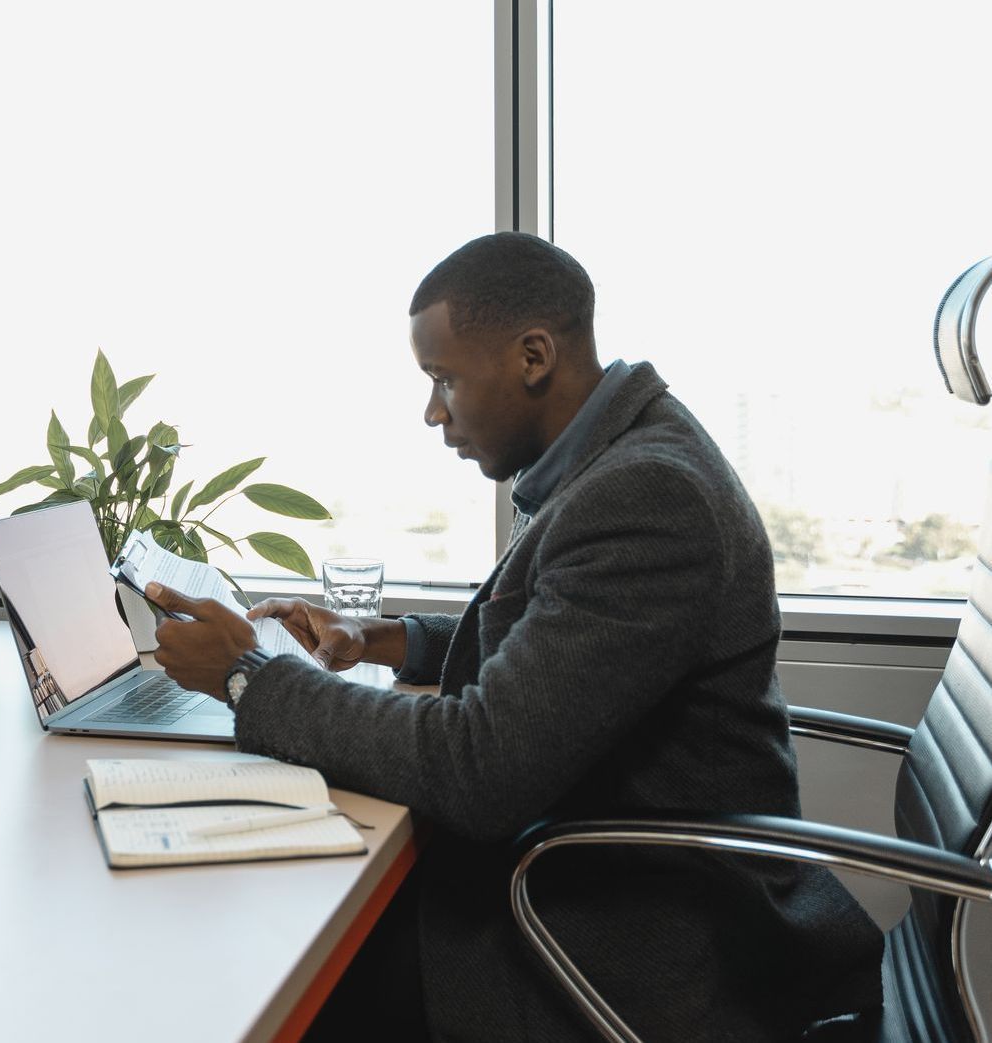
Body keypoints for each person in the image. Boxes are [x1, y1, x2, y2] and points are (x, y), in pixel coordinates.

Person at [147, 232, 883, 1041]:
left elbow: (478, 768)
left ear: (533, 355)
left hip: (644, 939)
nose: (433, 412)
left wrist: (248, 677)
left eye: (444, 380)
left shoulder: (646, 494)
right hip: (609, 881)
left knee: (276, 973)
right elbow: (554, 631)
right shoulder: (623, 456)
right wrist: (386, 638)